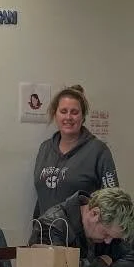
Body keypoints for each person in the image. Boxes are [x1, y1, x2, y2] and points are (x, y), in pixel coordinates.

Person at [32, 84, 119, 219]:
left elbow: (113, 201)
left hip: (80, 238)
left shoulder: (98, 151)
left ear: (83, 117)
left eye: (74, 112)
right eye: (63, 111)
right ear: (55, 114)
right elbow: (41, 197)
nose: (68, 117)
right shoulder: (45, 148)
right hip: (45, 234)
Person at [31, 186, 134, 267]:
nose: (108, 241)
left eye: (113, 237)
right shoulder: (52, 224)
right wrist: (101, 264)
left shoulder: (109, 227)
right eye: (105, 233)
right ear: (94, 214)